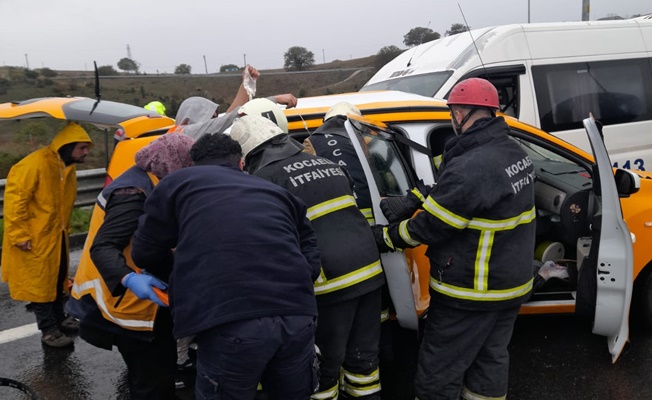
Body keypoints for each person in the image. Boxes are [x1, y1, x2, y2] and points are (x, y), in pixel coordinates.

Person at [372, 78, 536, 400]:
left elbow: (432, 226)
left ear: (461, 112)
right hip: (511, 285)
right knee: (490, 360)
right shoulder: (512, 151)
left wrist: (387, 237)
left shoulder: (473, 166)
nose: (452, 118)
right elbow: (472, 196)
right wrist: (422, 196)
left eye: (452, 112)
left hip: (471, 291)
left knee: (439, 370)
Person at [130, 133, 321, 400]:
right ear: (241, 163)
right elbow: (309, 244)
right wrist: (299, 280)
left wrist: (172, 279)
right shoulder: (274, 191)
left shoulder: (177, 183)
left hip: (231, 319)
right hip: (298, 315)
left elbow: (145, 250)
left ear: (194, 163)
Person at [230, 115, 385, 400]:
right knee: (364, 360)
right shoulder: (330, 164)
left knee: (323, 365)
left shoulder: (264, 180)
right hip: (369, 271)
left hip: (329, 283)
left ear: (248, 152)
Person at [66, 134, 195, 398]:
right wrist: (129, 279)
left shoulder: (149, 177)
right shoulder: (132, 193)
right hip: (130, 301)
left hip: (142, 298)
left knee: (150, 376)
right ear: (173, 163)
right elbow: (103, 246)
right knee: (153, 382)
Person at [1, 122, 92, 348]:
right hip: (34, 238)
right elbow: (15, 201)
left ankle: (61, 319)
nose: (86, 153)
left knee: (57, 279)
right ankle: (49, 330)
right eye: (82, 148)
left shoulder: (65, 167)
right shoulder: (34, 164)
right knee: (40, 284)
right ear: (67, 146)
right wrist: (20, 234)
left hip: (56, 236)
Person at [167, 65, 298, 140]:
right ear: (191, 116)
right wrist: (275, 99)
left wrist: (247, 84)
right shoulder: (183, 134)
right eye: (210, 118)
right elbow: (230, 118)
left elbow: (227, 118)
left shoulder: (181, 135)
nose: (214, 121)